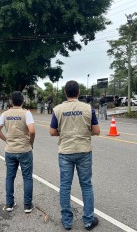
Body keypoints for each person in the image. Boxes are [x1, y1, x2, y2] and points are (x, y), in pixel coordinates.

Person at [49, 80, 100, 231]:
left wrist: (65, 133)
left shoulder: (58, 109)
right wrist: (82, 132)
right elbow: (96, 131)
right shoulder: (87, 108)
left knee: (65, 186)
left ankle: (67, 221)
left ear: (65, 93)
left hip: (65, 151)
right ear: (78, 92)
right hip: (84, 150)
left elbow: (52, 132)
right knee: (86, 185)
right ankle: (89, 220)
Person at [0, 91, 35, 213]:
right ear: (23, 101)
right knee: (27, 177)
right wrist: (30, 142)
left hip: (10, 150)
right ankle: (27, 205)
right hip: (24, 149)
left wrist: (7, 139)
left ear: (11, 101)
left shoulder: (5, 114)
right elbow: (32, 131)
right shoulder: (26, 113)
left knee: (10, 177)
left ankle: (9, 204)